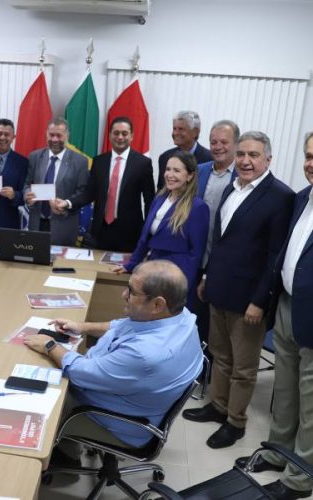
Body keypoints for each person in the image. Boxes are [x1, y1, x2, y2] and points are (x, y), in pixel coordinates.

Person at [23, 260, 203, 462]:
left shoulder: (145, 354)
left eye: (132, 292)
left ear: (157, 304)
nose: (123, 295)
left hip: (116, 422)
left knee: (38, 398)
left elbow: (79, 373)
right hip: (132, 399)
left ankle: (65, 457)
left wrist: (50, 346)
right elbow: (122, 326)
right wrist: (82, 326)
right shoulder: (182, 316)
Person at [183, 131, 295, 449]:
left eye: (254, 155)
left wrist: (260, 300)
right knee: (220, 355)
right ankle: (218, 407)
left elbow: (275, 256)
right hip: (219, 288)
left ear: (268, 159)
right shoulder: (234, 188)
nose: (245, 160)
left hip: (249, 300)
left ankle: (236, 422)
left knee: (244, 368)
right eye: (242, 153)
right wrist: (206, 277)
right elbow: (221, 243)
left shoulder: (280, 196)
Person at [235, 132, 313, 500]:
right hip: (287, 306)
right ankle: (277, 452)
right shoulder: (302, 199)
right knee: (285, 389)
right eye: (308, 156)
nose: (311, 163)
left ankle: (300, 478)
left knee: (311, 402)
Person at [115, 152, 209, 309]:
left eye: (177, 171)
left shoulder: (198, 207)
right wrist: (131, 265)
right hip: (153, 269)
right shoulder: (159, 199)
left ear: (190, 176)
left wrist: (181, 287)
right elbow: (145, 239)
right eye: (168, 169)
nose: (170, 175)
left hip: (176, 275)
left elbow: (196, 253)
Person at [65, 116, 155, 252]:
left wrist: (148, 230)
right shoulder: (99, 161)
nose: (120, 137)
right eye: (116, 133)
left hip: (129, 233)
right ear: (110, 135)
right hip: (101, 231)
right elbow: (89, 193)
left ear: (132, 136)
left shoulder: (142, 163)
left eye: (124, 133)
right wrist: (68, 203)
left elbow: (149, 200)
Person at [194, 120, 239, 347]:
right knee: (191, 319)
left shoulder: (244, 176)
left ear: (235, 144)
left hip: (221, 263)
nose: (218, 146)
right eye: (213, 142)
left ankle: (207, 371)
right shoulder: (200, 171)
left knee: (213, 328)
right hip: (195, 258)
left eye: (224, 142)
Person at [24, 117, 89, 246]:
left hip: (63, 226)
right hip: (36, 224)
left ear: (67, 136)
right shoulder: (35, 157)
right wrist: (27, 194)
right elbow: (27, 184)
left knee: (59, 265)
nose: (54, 139)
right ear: (46, 134)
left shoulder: (80, 161)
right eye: (51, 135)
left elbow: (83, 192)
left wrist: (66, 203)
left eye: (59, 135)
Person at [157, 110, 212, 190]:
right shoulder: (165, 157)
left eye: (181, 129)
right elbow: (161, 190)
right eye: (174, 128)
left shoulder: (209, 159)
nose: (175, 133)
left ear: (195, 132)